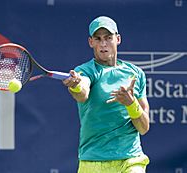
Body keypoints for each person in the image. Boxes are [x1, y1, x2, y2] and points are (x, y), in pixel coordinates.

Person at [62, 16, 150, 173]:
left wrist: (131, 104)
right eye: (98, 38)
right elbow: (82, 93)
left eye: (108, 38)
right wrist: (75, 86)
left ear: (118, 39)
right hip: (93, 161)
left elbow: (143, 128)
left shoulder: (136, 74)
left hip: (130, 159)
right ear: (91, 42)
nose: (103, 44)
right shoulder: (86, 70)